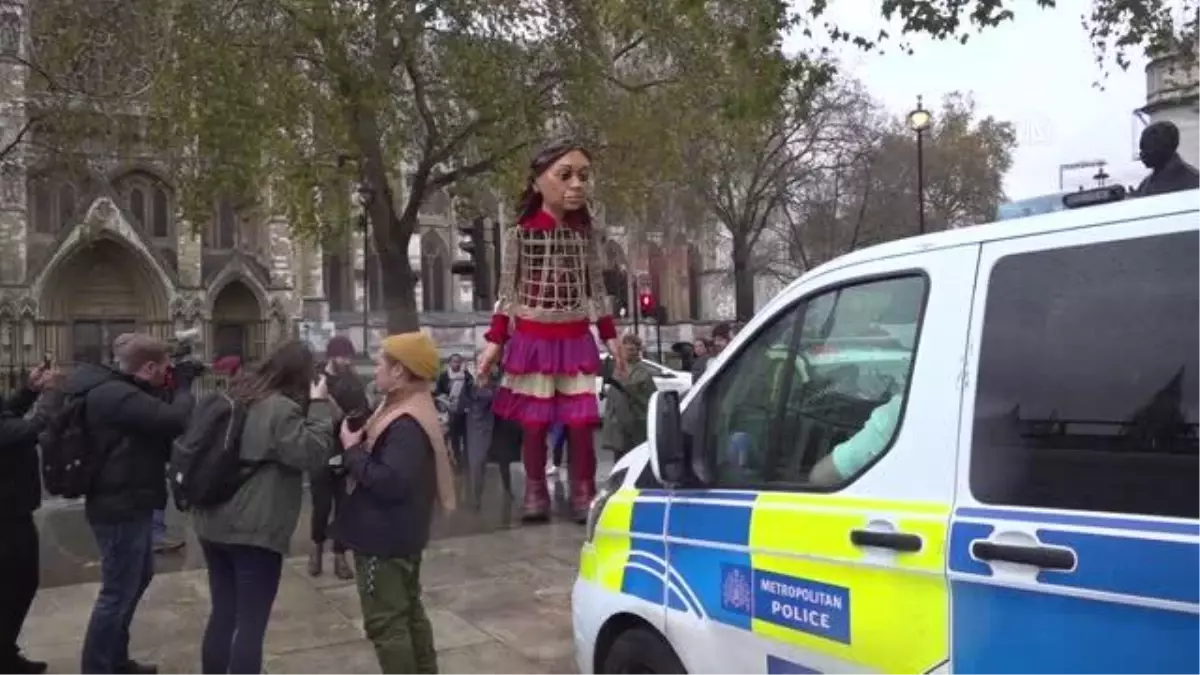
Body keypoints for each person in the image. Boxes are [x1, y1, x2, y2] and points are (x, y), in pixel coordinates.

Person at [477, 141, 625, 524]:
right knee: (534, 423)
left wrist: (611, 334)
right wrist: (495, 343)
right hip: (532, 339)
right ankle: (535, 490)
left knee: (580, 423)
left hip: (575, 338)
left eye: (584, 176)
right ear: (539, 182)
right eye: (566, 175)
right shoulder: (520, 236)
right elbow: (507, 294)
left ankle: (583, 489)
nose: (577, 185)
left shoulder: (586, 236)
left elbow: (596, 289)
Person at [191, 340, 337, 675]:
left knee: (223, 612)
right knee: (251, 624)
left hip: (212, 521)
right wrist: (317, 405)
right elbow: (311, 453)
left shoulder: (237, 393)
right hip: (253, 531)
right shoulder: (279, 408)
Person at [334, 332, 456, 675]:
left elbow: (391, 481)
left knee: (388, 625)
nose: (375, 370)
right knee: (408, 614)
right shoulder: (407, 407)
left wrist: (351, 451)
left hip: (383, 541)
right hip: (399, 534)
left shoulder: (405, 420)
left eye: (379, 364)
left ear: (400, 371)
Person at [77, 334, 197, 675]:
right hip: (119, 506)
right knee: (116, 593)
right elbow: (175, 420)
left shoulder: (121, 390)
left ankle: (116, 660)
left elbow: (154, 413)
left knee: (136, 579)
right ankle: (97, 668)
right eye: (162, 368)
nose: (166, 373)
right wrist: (185, 385)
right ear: (146, 367)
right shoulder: (114, 395)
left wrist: (168, 382)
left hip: (131, 500)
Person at [0, 365, 62, 675]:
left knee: (17, 585)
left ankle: (5, 653)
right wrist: (50, 393)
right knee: (16, 585)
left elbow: (6, 413)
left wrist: (31, 391)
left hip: (13, 512)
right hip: (6, 518)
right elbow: (31, 427)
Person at [308, 335, 368, 580]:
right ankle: (316, 549)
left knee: (344, 506)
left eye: (348, 356)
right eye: (343, 356)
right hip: (321, 450)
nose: (346, 361)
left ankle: (340, 556)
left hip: (344, 448)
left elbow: (362, 409)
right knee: (321, 506)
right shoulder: (316, 379)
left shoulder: (353, 380)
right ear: (332, 355)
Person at [463, 366, 519, 510]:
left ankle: (508, 490)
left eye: (487, 375)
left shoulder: (495, 388)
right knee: (478, 465)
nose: (485, 378)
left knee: (504, 462)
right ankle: (476, 499)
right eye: (481, 376)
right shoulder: (473, 391)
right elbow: (487, 396)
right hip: (480, 434)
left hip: (498, 431)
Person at [600, 334, 658, 461]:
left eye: (632, 349)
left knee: (632, 461)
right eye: (625, 349)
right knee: (619, 460)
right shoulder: (619, 368)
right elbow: (613, 398)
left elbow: (638, 393)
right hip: (618, 424)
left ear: (638, 351)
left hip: (634, 426)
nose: (628, 352)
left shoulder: (642, 371)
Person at [1134, 121, 1200, 197]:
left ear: (1165, 147)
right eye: (1142, 149)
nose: (1142, 154)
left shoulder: (1194, 181)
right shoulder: (1145, 184)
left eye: (1147, 148)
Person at [434, 353, 473, 468]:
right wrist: (444, 399)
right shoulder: (444, 376)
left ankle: (467, 462)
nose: (456, 364)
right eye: (454, 361)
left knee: (466, 438)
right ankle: (457, 462)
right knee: (453, 438)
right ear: (449, 363)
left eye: (458, 361)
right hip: (450, 412)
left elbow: (472, 390)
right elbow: (437, 392)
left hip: (464, 412)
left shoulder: (466, 376)